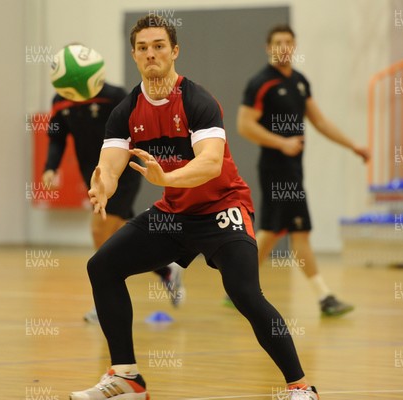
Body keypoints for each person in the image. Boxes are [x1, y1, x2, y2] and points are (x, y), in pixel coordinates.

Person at [69, 16, 319, 400]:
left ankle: (301, 387)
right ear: (134, 54)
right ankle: (127, 378)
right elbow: (111, 164)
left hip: (223, 208)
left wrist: (166, 179)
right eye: (143, 48)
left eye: (159, 46)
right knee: (102, 266)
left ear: (174, 52)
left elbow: (210, 163)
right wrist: (101, 185)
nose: (151, 53)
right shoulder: (126, 112)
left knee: (245, 294)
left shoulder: (197, 101)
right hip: (174, 215)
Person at [236, 25, 370, 317]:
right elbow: (244, 124)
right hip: (276, 169)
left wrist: (353, 146)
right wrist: (281, 142)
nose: (283, 47)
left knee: (271, 233)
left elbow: (320, 122)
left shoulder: (299, 81)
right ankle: (325, 298)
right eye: (277, 42)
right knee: (299, 232)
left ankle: (237, 287)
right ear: (268, 48)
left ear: (294, 46)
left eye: (288, 42)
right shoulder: (261, 83)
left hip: (293, 170)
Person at [42, 68, 185, 323]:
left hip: (122, 173)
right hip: (96, 178)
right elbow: (58, 138)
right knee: (122, 237)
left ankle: (104, 300)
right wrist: (50, 168)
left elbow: (137, 128)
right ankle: (165, 269)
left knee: (99, 230)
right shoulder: (60, 100)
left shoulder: (114, 95)